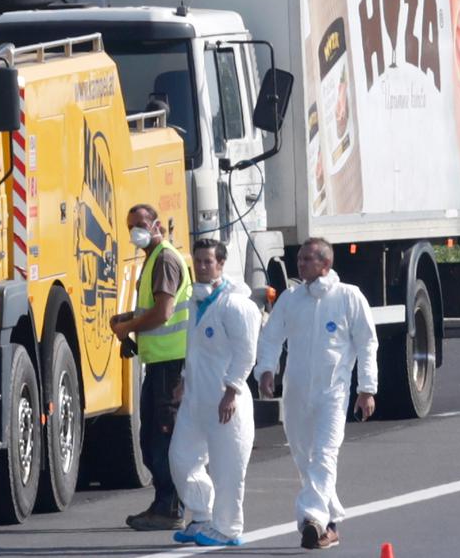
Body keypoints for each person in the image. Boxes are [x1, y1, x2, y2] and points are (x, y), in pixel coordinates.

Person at [255, 238, 378, 550]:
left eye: (309, 259)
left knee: (325, 454)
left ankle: (311, 518)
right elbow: (271, 338)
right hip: (296, 394)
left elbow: (367, 344)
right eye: (300, 259)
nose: (301, 264)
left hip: (332, 394)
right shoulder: (291, 299)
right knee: (305, 458)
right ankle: (329, 523)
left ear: (326, 264)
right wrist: (266, 370)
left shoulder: (349, 297)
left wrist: (367, 389)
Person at [169, 238, 260, 547]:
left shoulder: (236, 305)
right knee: (181, 458)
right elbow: (194, 348)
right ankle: (202, 515)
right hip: (196, 398)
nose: (202, 267)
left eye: (208, 262)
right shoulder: (196, 301)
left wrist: (232, 390)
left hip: (226, 402)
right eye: (198, 262)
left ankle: (228, 527)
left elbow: (246, 353)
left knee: (227, 469)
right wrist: (184, 379)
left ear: (221, 264)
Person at [110, 203, 192, 531]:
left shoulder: (165, 259)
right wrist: (128, 321)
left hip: (170, 365)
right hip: (158, 362)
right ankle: (165, 503)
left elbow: (163, 313)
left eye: (140, 224)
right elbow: (151, 310)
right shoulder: (153, 258)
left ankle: (170, 507)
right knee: (152, 438)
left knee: (163, 437)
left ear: (157, 224)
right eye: (130, 226)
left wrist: (129, 327)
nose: (135, 232)